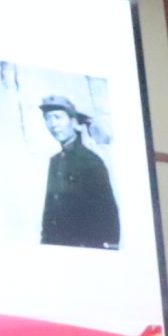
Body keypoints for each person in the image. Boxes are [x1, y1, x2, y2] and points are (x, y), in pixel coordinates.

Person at [38, 94, 120, 249]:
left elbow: (107, 213)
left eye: (57, 117)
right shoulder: (55, 162)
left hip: (84, 247)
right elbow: (49, 212)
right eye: (48, 118)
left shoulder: (91, 161)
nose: (53, 124)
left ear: (73, 122)